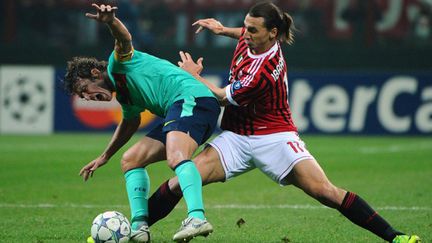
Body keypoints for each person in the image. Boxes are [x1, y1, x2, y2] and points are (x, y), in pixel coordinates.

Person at [143, 2, 421, 243]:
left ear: (272, 33)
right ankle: (136, 229)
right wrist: (222, 30)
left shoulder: (265, 69)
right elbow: (241, 35)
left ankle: (395, 236)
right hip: (236, 137)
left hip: (274, 136)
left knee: (325, 192)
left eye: (253, 30)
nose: (247, 34)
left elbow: (221, 97)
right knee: (180, 181)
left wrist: (193, 75)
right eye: (246, 27)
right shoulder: (252, 38)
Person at [62, 3, 220, 243]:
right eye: (83, 97)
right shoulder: (124, 95)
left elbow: (124, 39)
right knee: (131, 159)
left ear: (95, 73)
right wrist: (105, 156)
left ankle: (197, 218)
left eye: (85, 90)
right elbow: (130, 122)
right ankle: (139, 228)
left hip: (192, 98)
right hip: (180, 109)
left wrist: (111, 21)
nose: (88, 98)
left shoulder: (118, 64)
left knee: (176, 157)